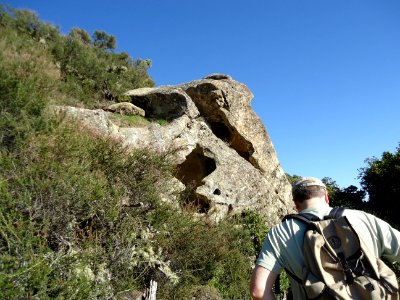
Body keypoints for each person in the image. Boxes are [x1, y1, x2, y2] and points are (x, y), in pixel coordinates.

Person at [249, 177, 400, 300]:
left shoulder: (280, 232)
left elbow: (258, 290)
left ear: (296, 204)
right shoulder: (365, 219)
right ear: (326, 197)